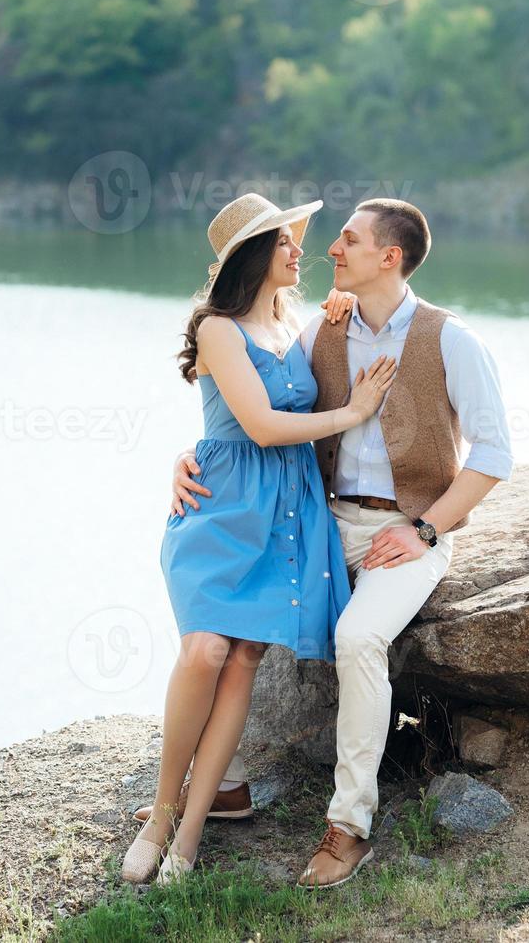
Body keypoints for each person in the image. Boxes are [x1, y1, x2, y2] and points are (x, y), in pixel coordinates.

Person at [166, 198, 514, 888]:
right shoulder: (320, 332)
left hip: (406, 533)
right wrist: (189, 457)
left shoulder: (452, 340)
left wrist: (425, 529)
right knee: (243, 623)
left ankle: (349, 826)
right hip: (323, 522)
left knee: (357, 639)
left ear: (390, 257)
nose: (330, 250)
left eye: (348, 240)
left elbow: (495, 454)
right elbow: (251, 409)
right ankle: (222, 787)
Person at [121, 193, 398, 885]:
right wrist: (353, 412)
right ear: (253, 254)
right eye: (285, 242)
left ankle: (189, 838)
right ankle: (161, 813)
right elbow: (263, 427)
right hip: (221, 509)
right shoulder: (217, 328)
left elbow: (354, 334)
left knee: (243, 657)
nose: (300, 252)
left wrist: (338, 317)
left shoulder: (292, 319)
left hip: (285, 510)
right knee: (206, 648)